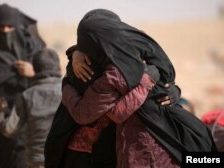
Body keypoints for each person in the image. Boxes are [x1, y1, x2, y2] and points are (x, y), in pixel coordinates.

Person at [47, 9, 216, 168]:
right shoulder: (137, 61)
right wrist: (74, 53)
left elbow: (103, 112)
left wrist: (66, 83)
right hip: (165, 138)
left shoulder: (114, 71)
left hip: (145, 145)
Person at [0, 3, 45, 168]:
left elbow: (51, 80)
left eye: (10, 27)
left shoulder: (33, 53)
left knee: (18, 155)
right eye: (1, 27)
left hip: (19, 113)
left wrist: (33, 72)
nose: (5, 31)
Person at [0, 48, 62, 168]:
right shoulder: (67, 92)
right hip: (62, 158)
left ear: (35, 70)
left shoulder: (27, 95)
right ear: (59, 69)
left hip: (35, 161)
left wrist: (3, 111)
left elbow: (9, 129)